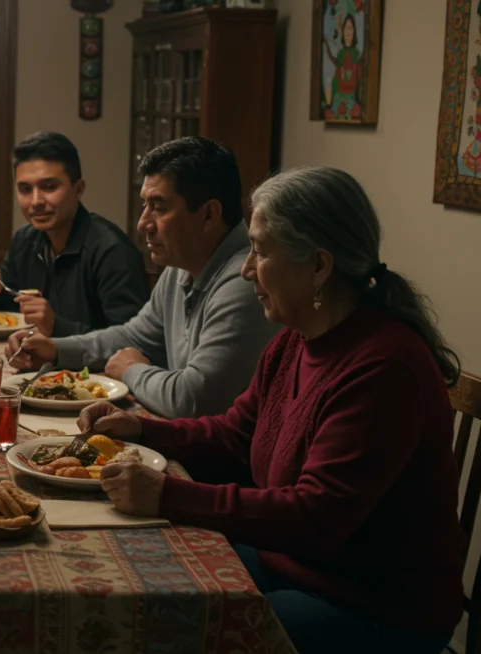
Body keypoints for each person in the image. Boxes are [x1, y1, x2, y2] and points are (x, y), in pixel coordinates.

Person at [82, 166, 465, 654]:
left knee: (177, 630)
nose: (245, 270)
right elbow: (233, 435)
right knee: (146, 572)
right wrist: (140, 429)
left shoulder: (384, 367)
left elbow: (315, 517)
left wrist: (167, 496)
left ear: (319, 265)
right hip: (293, 564)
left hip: (373, 608)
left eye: (260, 251)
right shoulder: (295, 341)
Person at [7, 136, 278, 419]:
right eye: (145, 205)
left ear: (209, 214)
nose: (143, 223)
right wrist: (56, 350)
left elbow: (192, 399)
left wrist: (130, 370)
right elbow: (133, 336)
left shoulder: (245, 281)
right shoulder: (181, 265)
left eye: (158, 207)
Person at [0, 131, 147, 337]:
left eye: (49, 187)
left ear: (78, 189)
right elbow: (7, 313)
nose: (36, 201)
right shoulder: (26, 239)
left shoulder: (113, 251)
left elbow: (133, 343)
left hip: (92, 369)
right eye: (25, 189)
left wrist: (56, 326)